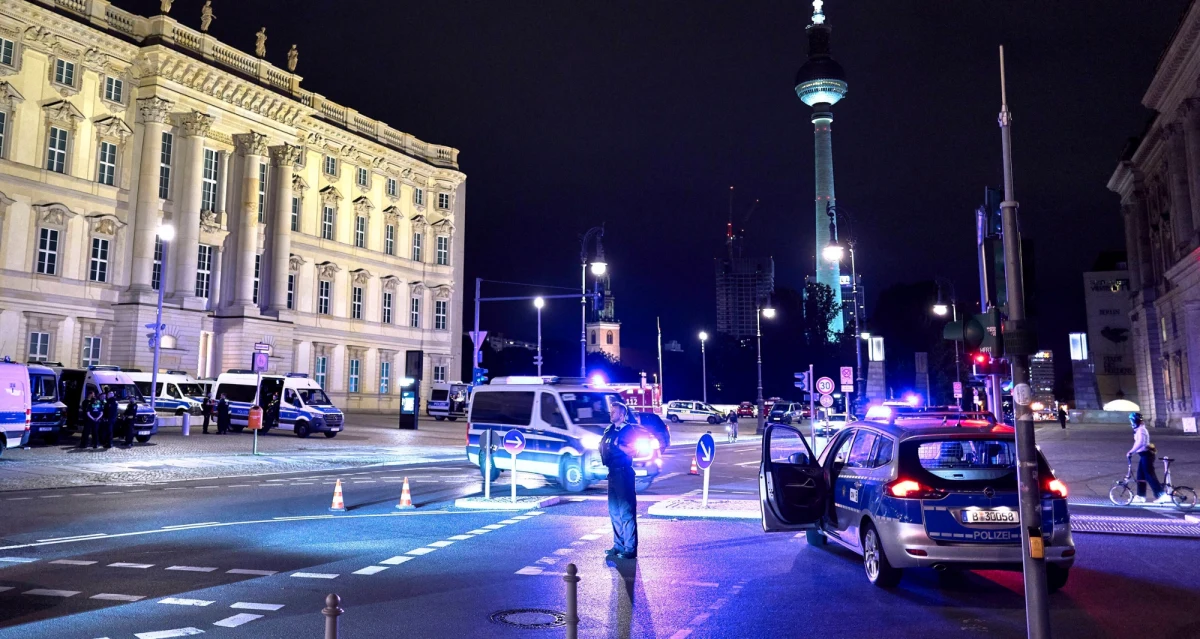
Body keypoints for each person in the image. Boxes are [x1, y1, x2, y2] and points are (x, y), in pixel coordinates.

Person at [600, 401, 639, 561]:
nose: (611, 414)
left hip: (624, 473)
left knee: (626, 512)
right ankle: (618, 545)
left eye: (614, 412)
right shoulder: (609, 430)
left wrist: (619, 446)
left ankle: (630, 549)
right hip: (612, 473)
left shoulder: (629, 431)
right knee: (614, 511)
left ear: (622, 415)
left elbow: (634, 451)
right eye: (611, 411)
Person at [1128, 412, 1168, 503]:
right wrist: (1133, 451)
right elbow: (1137, 442)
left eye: (1131, 421)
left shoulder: (1141, 430)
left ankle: (1161, 494)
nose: (1131, 423)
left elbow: (1140, 443)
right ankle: (1140, 496)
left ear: (1135, 421)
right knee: (1140, 475)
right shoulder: (1139, 429)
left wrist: (1131, 451)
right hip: (1143, 455)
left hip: (1147, 454)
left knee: (1149, 475)